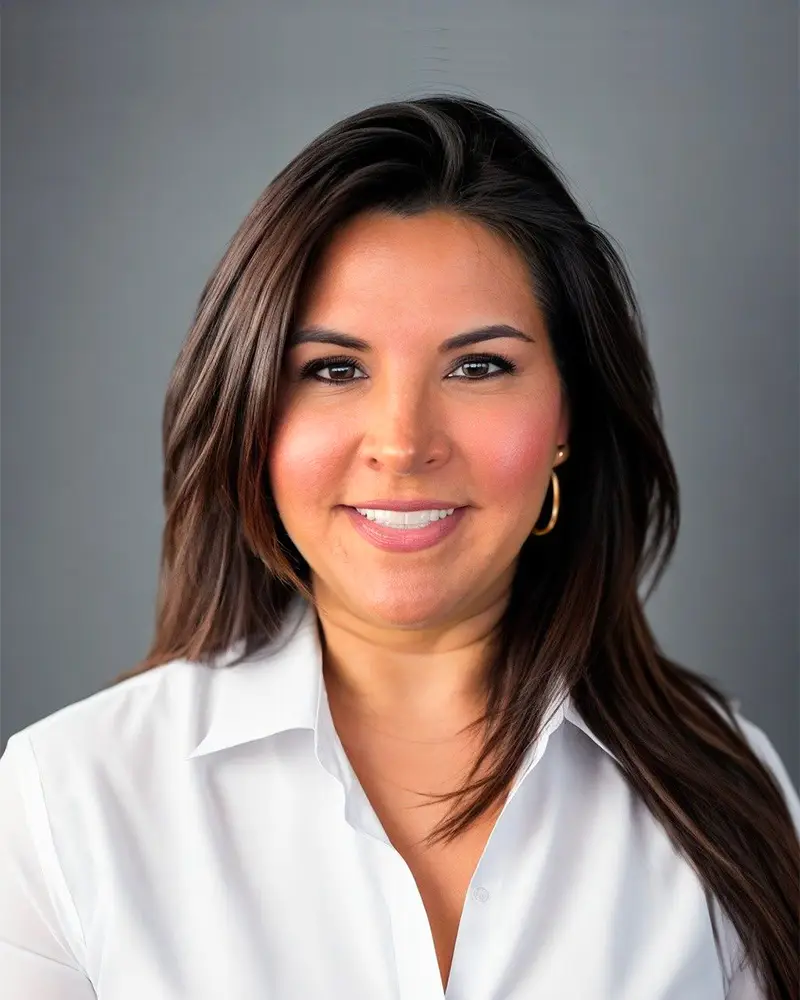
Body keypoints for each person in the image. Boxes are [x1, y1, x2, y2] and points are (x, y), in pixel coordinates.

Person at [0, 94, 797, 1000]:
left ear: (568, 415)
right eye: (334, 370)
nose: (402, 441)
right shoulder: (65, 801)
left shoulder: (729, 794)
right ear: (250, 414)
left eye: (478, 367)